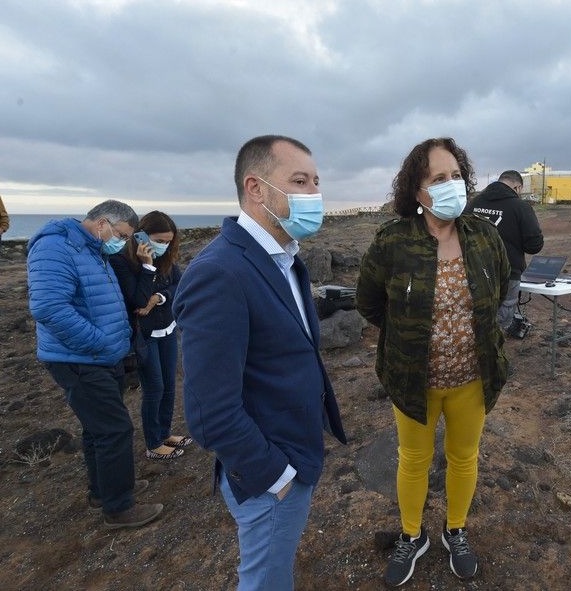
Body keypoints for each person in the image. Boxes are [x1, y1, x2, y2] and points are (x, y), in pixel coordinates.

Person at [174, 135, 346, 591]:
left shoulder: (283, 258)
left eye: (315, 182)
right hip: (272, 472)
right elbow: (209, 412)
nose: (314, 194)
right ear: (256, 188)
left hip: (295, 450)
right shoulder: (220, 272)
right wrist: (277, 476)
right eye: (299, 181)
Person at [356, 137, 510, 586]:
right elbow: (369, 303)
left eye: (456, 176)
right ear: (417, 192)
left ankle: (455, 530)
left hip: (471, 378)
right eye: (438, 178)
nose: (451, 185)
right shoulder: (392, 241)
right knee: (413, 459)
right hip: (413, 380)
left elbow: (498, 287)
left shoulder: (483, 235)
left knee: (464, 457)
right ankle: (411, 535)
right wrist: (409, 337)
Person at [27, 200, 163, 529]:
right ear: (102, 223)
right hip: (80, 358)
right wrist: (97, 342)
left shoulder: (90, 249)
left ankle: (104, 491)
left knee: (97, 429)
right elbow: (48, 308)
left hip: (100, 358)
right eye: (120, 234)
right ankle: (119, 508)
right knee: (115, 429)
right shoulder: (56, 247)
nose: (121, 242)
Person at [110, 211, 191, 461]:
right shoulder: (121, 261)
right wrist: (146, 266)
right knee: (154, 388)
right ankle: (153, 443)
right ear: (141, 235)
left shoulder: (166, 258)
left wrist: (158, 298)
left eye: (168, 241)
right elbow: (136, 299)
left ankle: (164, 433)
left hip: (168, 328)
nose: (163, 246)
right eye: (159, 240)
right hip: (144, 334)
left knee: (169, 385)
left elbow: (180, 285)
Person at [468, 170, 544, 332]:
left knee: (475, 319)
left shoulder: (474, 203)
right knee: (500, 323)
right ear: (517, 187)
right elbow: (534, 246)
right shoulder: (521, 207)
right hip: (508, 274)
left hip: (474, 272)